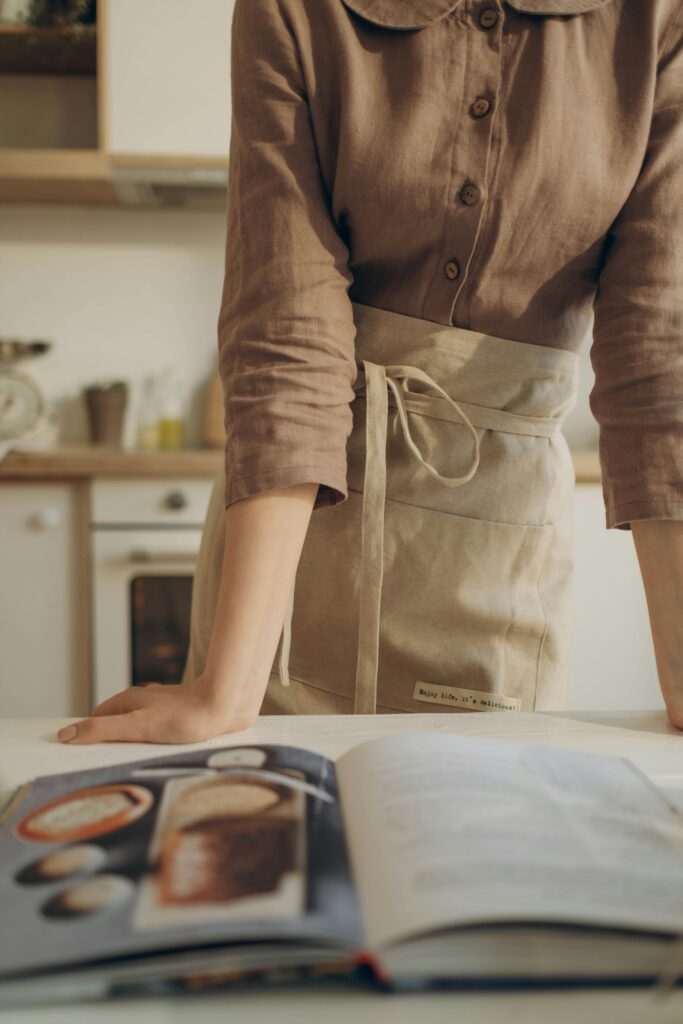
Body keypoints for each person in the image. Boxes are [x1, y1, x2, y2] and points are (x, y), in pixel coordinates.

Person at [59, 0, 683, 745]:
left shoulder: (657, 18)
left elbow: (660, 358)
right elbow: (286, 330)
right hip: (288, 559)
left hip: (493, 549)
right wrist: (228, 691)